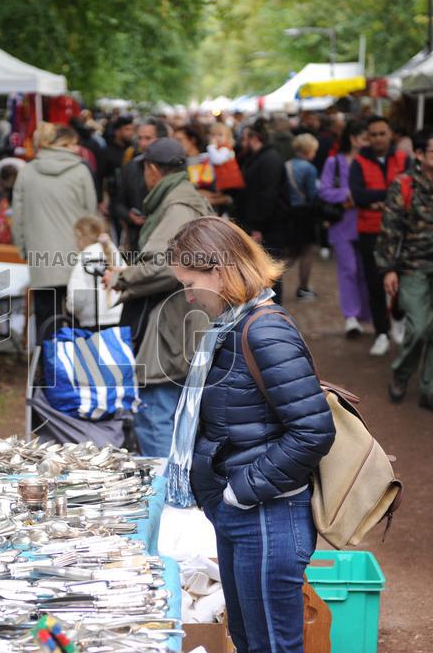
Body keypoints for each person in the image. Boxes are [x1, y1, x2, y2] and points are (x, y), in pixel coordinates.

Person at [165, 215, 335, 653]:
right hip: (244, 515)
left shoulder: (265, 330)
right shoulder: (231, 327)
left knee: (271, 646)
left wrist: (241, 490)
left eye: (189, 282)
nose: (187, 296)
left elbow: (313, 430)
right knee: (249, 641)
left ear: (218, 272)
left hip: (267, 517)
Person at [105, 138, 211, 457]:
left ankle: (164, 500)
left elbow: (167, 266)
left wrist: (123, 277)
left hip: (173, 323)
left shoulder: (177, 206)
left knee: (155, 415)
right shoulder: (184, 198)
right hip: (182, 317)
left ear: (151, 170)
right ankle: (175, 495)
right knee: (172, 414)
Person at [377, 128, 433, 414]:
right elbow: (390, 229)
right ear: (418, 154)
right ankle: (401, 375)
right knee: (418, 326)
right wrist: (388, 269)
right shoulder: (403, 185)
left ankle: (432, 389)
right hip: (412, 267)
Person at [12, 123, 98, 341]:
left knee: (46, 318)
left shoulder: (27, 171)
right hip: (77, 256)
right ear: (66, 144)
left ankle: (46, 369)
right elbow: (91, 215)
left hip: (41, 256)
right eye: (75, 144)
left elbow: (18, 217)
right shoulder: (81, 171)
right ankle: (75, 368)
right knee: (77, 317)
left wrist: (24, 249)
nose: (78, 149)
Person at [350, 116, 410, 356]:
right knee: (374, 284)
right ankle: (381, 332)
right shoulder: (359, 162)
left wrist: (378, 199)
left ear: (390, 134)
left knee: (402, 282)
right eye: (373, 134)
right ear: (368, 136)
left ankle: (398, 319)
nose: (377, 138)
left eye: (382, 133)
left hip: (400, 231)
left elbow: (409, 190)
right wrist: (390, 195)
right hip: (370, 232)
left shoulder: (403, 159)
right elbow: (358, 195)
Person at [320, 121, 371, 337]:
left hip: (367, 221)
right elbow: (324, 190)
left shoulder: (370, 162)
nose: (370, 141)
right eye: (366, 137)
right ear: (354, 138)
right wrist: (348, 195)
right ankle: (351, 315)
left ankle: (365, 314)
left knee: (366, 271)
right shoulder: (334, 162)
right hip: (342, 224)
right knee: (349, 269)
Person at [238, 119, 291, 298]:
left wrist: (258, 226)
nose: (242, 142)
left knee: (270, 275)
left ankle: (273, 315)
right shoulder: (258, 157)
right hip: (262, 225)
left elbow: (268, 195)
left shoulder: (269, 159)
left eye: (245, 138)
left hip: (269, 227)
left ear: (254, 138)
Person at [112, 117, 166, 252]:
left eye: (148, 138)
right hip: (136, 240)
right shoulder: (131, 167)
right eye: (140, 138)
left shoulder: (171, 167)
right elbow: (117, 202)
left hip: (163, 239)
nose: (143, 143)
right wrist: (129, 216)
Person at [66, 216, 125, 328]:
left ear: (81, 238)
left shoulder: (84, 258)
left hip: (92, 322)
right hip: (119, 319)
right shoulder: (115, 254)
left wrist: (71, 308)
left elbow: (77, 298)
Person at [285, 133, 320, 300]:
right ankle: (304, 288)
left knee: (291, 252)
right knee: (306, 251)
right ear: (309, 150)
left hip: (289, 212)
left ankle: (267, 280)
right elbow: (313, 195)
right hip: (304, 212)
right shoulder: (309, 169)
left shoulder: (287, 165)